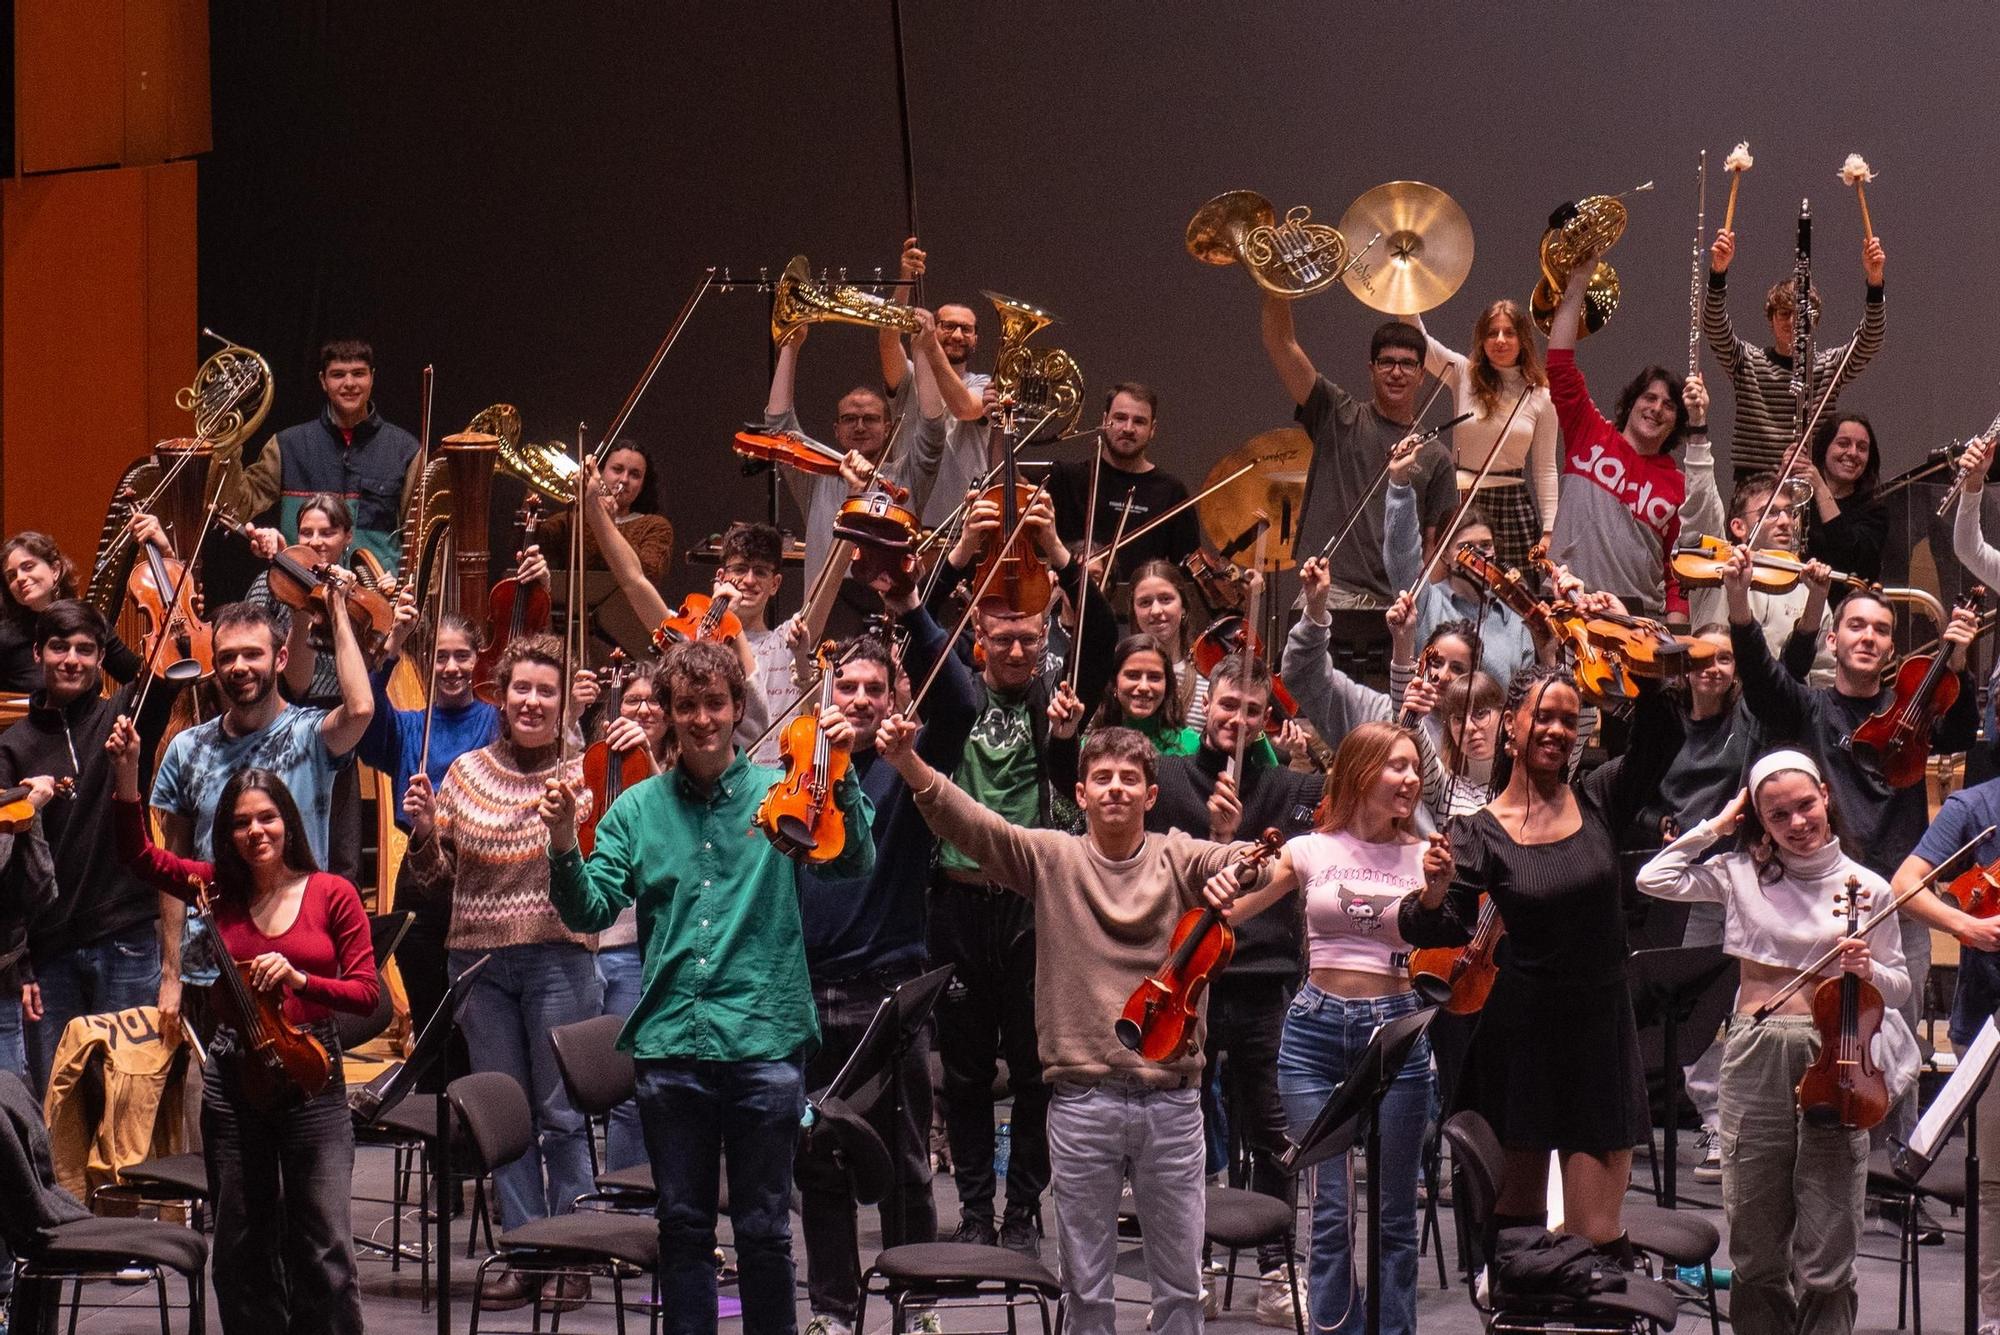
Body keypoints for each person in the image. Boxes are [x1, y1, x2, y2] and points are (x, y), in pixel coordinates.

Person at [541, 639, 873, 1335]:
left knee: (764, 1232)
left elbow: (850, 868)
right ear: (666, 713)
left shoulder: (782, 791)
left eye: (714, 703)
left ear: (736, 708)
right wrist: (563, 843)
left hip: (763, 1039)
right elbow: (590, 910)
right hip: (673, 1047)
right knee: (684, 1228)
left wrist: (840, 778)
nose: (700, 718)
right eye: (685, 705)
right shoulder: (635, 810)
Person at [879, 712, 1249, 1335]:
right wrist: (909, 764)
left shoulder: (1178, 855)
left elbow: (1238, 861)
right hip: (1083, 1103)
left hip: (1172, 1104)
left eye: (1129, 779)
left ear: (1150, 795)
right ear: (1079, 794)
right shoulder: (1053, 857)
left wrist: (1239, 859)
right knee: (1087, 1292)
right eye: (1100, 778)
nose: (1114, 789)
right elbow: (976, 826)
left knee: (1183, 1289)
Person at [1402, 663, 1683, 1253]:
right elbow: (1435, 923)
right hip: (1520, 1040)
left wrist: (1623, 655)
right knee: (1515, 1239)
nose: (1557, 729)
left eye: (1568, 719)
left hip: (1598, 1035)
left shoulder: (1601, 797)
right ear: (1511, 726)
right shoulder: (1476, 831)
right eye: (1543, 716)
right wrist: (1432, 890)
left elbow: (1664, 733)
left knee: (1595, 1239)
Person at [111, 720, 378, 1335]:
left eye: (267, 818)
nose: (255, 831)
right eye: (240, 822)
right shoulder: (215, 890)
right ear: (227, 835)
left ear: (288, 823)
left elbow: (366, 993)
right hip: (234, 1080)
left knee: (324, 1244)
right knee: (240, 1243)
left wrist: (303, 981)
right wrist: (127, 776)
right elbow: (137, 856)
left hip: (312, 1076)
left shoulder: (332, 893)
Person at [1637, 751, 1916, 1334]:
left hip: (1836, 1057)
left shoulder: (1867, 886)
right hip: (1756, 1052)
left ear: (1825, 796)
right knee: (1757, 1246)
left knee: (1827, 1251)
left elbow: (1898, 986)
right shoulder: (1740, 873)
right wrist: (1719, 823)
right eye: (1776, 813)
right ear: (1758, 819)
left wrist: (1865, 972)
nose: (1796, 822)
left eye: (1805, 805)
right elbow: (1653, 877)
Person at [918, 487, 1117, 1254]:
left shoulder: (1055, 694)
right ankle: (973, 1209)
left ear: (1041, 640)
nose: (1015, 651)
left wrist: (1062, 552)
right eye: (1000, 639)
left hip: (1036, 908)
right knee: (964, 1073)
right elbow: (916, 621)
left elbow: (1099, 631)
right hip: (959, 901)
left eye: (1028, 640)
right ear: (978, 640)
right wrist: (963, 550)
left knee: (1036, 1070)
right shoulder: (953, 696)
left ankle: (1023, 1212)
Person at [1723, 546, 1977, 1142]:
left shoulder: (1915, 708)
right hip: (1818, 899)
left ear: (1892, 649)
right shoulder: (1809, 710)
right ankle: (1808, 1148)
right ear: (1834, 640)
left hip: (1895, 901)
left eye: (1882, 630)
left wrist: (1957, 663)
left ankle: (1899, 1170)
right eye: (1856, 626)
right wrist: (1738, 600)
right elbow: (1761, 679)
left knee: (1897, 1039)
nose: (1868, 637)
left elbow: (1963, 730)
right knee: (1815, 1036)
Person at [793, 578, 980, 1335]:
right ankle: (834, 1312)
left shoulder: (909, 766)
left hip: (886, 997)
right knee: (818, 1161)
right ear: (827, 692)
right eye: (849, 685)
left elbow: (961, 702)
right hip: (806, 997)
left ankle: (916, 1301)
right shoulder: (797, 773)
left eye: (876, 686)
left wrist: (912, 610)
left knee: (905, 1164)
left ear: (895, 692)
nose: (862, 698)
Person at [1204, 721, 1432, 1335]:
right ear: (1360, 774)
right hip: (1313, 1033)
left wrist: (1439, 891)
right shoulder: (1308, 849)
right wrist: (1223, 858)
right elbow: (1229, 910)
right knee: (1330, 1210)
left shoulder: (1423, 855)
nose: (1411, 778)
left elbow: (1450, 934)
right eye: (1397, 766)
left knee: (1392, 1217)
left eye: (1415, 766)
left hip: (1398, 1031)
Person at [401, 633, 600, 1310]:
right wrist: (426, 833)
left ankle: (573, 1251)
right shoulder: (465, 772)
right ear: (501, 694)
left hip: (557, 958)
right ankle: (523, 1249)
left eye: (547, 689)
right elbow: (434, 882)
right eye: (522, 688)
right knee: (505, 1117)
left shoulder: (583, 774)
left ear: (561, 698)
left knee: (562, 1114)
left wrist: (566, 826)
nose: (533, 700)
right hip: (479, 963)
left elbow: (593, 874)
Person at [1146, 652, 1322, 1326]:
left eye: (1253, 711)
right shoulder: (1165, 779)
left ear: (1269, 719)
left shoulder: (1289, 787)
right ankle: (1189, 1259)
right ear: (1206, 708)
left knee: (1273, 1129)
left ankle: (1277, 1268)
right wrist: (1212, 838)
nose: (1238, 720)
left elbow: (1299, 862)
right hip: (1187, 977)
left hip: (1262, 979)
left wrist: (1235, 839)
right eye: (1228, 705)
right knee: (1181, 1129)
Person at [150, 597, 373, 1046]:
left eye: (253, 653)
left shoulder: (311, 736)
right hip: (212, 967)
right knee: (212, 1113)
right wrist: (170, 974)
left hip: (295, 964)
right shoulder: (187, 749)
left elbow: (362, 709)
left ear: (280, 658)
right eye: (228, 656)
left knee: (306, 1105)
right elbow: (174, 867)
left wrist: (337, 610)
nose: (239, 666)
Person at [0, 601, 168, 1094]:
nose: (71, 659)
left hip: (126, 936)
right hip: (50, 949)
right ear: (38, 653)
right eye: (59, 647)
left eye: (85, 649)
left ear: (100, 660)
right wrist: (21, 964)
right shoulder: (11, 746)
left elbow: (166, 671)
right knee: (60, 1103)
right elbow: (6, 871)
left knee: (129, 1096)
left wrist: (158, 555)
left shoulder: (123, 716)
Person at [354, 599, 499, 1092]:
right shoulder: (411, 723)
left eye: (461, 656)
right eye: (440, 656)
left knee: (475, 1020)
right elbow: (367, 717)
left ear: (478, 657)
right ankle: (434, 1120)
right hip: (418, 878)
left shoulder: (493, 722)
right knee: (429, 1014)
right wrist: (392, 646)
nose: (452, 667)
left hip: (478, 877)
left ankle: (472, 1127)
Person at [1888, 772, 2000, 1332]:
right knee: (1998, 1183)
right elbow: (1905, 884)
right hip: (1989, 1021)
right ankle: (1994, 1317)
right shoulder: (1976, 806)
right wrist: (1966, 926)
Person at [1259, 295, 1458, 608]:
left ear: (1422, 375)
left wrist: (1420, 611)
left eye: (1408, 364)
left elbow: (1435, 550)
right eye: (1387, 362)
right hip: (1329, 591)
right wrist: (1275, 284)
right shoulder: (1337, 414)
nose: (1397, 372)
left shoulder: (1436, 456)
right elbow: (1281, 343)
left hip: (1394, 603)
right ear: (1371, 369)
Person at [575, 464, 777, 758]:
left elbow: (756, 725)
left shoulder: (739, 641)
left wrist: (729, 621)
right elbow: (633, 580)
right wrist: (594, 509)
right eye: (738, 571)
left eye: (759, 572)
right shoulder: (681, 634)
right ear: (719, 578)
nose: (746, 582)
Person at [1545, 244, 1689, 617]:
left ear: (1677, 421)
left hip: (1636, 621)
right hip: (1567, 603)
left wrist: (1672, 643)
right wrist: (1579, 280)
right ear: (1632, 400)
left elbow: (1677, 575)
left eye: (1669, 405)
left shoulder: (1677, 486)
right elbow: (1560, 365)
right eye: (1649, 397)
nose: (1656, 408)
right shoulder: (1589, 432)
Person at [764, 316, 948, 582]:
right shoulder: (816, 480)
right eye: (850, 419)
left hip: (893, 615)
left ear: (888, 428)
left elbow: (933, 430)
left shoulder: (907, 477)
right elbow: (779, 429)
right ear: (836, 430)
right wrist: (790, 347)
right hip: (822, 617)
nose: (860, 427)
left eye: (870, 419)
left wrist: (921, 351)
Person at [1704, 226, 1886, 481]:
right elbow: (1714, 325)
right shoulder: (1747, 361)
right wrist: (1718, 271)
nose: (1793, 323)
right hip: (1755, 485)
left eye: (1801, 316)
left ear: (1816, 322)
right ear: (1771, 319)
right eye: (1784, 314)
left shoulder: (1829, 367)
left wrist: (1875, 279)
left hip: (1808, 484)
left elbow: (1870, 339)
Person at [229, 338, 423, 573]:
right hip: (300, 593)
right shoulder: (287, 445)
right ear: (323, 381)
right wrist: (226, 446)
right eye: (338, 375)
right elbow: (240, 506)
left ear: (372, 377)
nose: (349, 383)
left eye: (359, 374)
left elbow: (418, 540)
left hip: (377, 601)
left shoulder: (405, 450)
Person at [1417, 299, 1559, 570]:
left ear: (1523, 339)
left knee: (1516, 596)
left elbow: (1545, 469)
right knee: (1457, 590)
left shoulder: (1541, 396)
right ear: (1482, 339)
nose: (1500, 340)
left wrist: (1550, 530)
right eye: (1492, 333)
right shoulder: (1463, 373)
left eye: (1509, 332)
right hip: (1464, 499)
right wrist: (1403, 289)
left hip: (1513, 506)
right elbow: (1421, 343)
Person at [1383, 448, 1537, 693]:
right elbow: (1401, 553)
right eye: (1465, 547)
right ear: (1444, 553)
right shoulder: (1427, 602)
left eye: (1485, 545)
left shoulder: (1513, 617)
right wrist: (1400, 486)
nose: (1477, 555)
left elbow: (1525, 692)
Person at [879, 237, 991, 530]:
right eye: (947, 326)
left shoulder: (984, 383)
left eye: (966, 329)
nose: (956, 335)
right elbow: (888, 341)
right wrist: (905, 279)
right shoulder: (909, 375)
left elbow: (964, 408)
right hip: (907, 515)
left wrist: (930, 348)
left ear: (976, 339)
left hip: (964, 522)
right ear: (934, 328)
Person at [1047, 383, 1201, 586]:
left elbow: (1187, 578)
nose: (1128, 428)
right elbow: (1007, 489)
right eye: (1120, 418)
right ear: (1104, 421)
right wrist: (995, 429)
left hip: (1138, 612)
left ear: (1152, 429)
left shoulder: (1172, 492)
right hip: (1068, 607)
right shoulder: (1068, 477)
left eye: (1139, 421)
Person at [1682, 467, 1827, 659]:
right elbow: (1702, 505)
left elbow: (1823, 671)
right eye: (1771, 512)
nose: (1785, 521)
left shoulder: (1810, 588)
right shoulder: (1714, 574)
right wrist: (1697, 444)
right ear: (1738, 527)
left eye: (1790, 512)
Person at [0, 531, 142, 690]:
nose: (20, 578)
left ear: (55, 570)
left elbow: (139, 679)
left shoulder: (89, 621)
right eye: (12, 576)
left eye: (28, 567)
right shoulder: (4, 638)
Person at [533, 440, 676, 583]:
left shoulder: (656, 526)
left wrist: (607, 525)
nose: (624, 480)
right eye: (617, 469)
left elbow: (648, 574)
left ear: (643, 485)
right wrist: (533, 489)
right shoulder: (573, 519)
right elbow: (530, 542)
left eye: (635, 474)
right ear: (600, 472)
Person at [1802, 414, 1887, 582]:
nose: (1853, 453)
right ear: (1824, 447)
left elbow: (1850, 558)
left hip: (1843, 602)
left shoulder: (1875, 511)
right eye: (1843, 444)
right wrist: (1782, 481)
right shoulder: (1800, 497)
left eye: (1862, 448)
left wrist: (1819, 487)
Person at [1127, 560, 1209, 727]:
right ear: (1134, 610)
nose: (1156, 611)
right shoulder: (1118, 673)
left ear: (1183, 607)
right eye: (1145, 602)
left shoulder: (1207, 677)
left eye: (1166, 599)